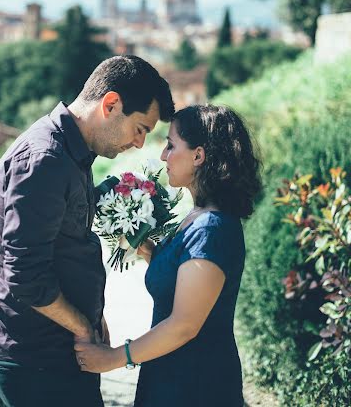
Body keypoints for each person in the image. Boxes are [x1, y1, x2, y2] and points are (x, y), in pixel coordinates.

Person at [0, 55, 174, 407]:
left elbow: (64, 250)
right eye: (141, 129)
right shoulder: (45, 159)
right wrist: (83, 327)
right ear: (111, 104)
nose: (140, 143)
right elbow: (24, 275)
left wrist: (93, 318)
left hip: (59, 352)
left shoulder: (71, 153)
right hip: (37, 360)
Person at [75, 104, 262, 407]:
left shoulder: (212, 228)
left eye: (171, 145)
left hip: (197, 385)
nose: (163, 155)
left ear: (198, 156)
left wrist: (113, 358)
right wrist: (148, 250)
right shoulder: (197, 216)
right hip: (172, 374)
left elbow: (184, 325)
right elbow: (181, 284)